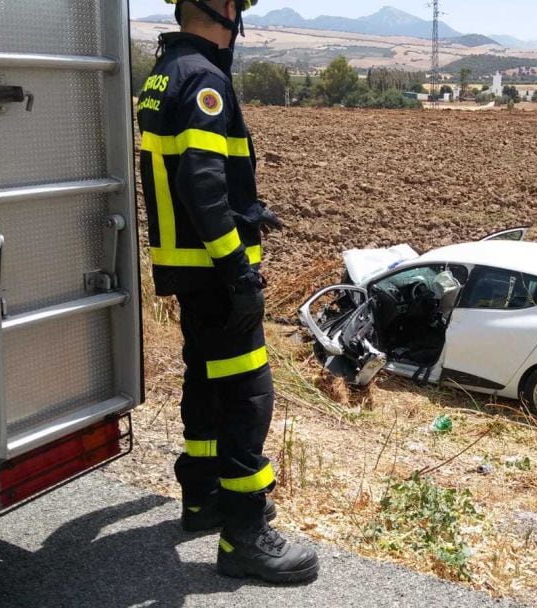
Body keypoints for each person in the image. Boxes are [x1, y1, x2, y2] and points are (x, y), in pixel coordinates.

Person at [136, 0, 316, 584]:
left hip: (188, 268)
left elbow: (196, 180)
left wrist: (249, 210)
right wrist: (240, 271)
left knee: (205, 378)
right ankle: (245, 534)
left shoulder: (165, 71)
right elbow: (202, 183)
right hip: (215, 273)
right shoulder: (205, 79)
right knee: (247, 393)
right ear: (221, 8)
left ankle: (202, 498)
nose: (240, 13)